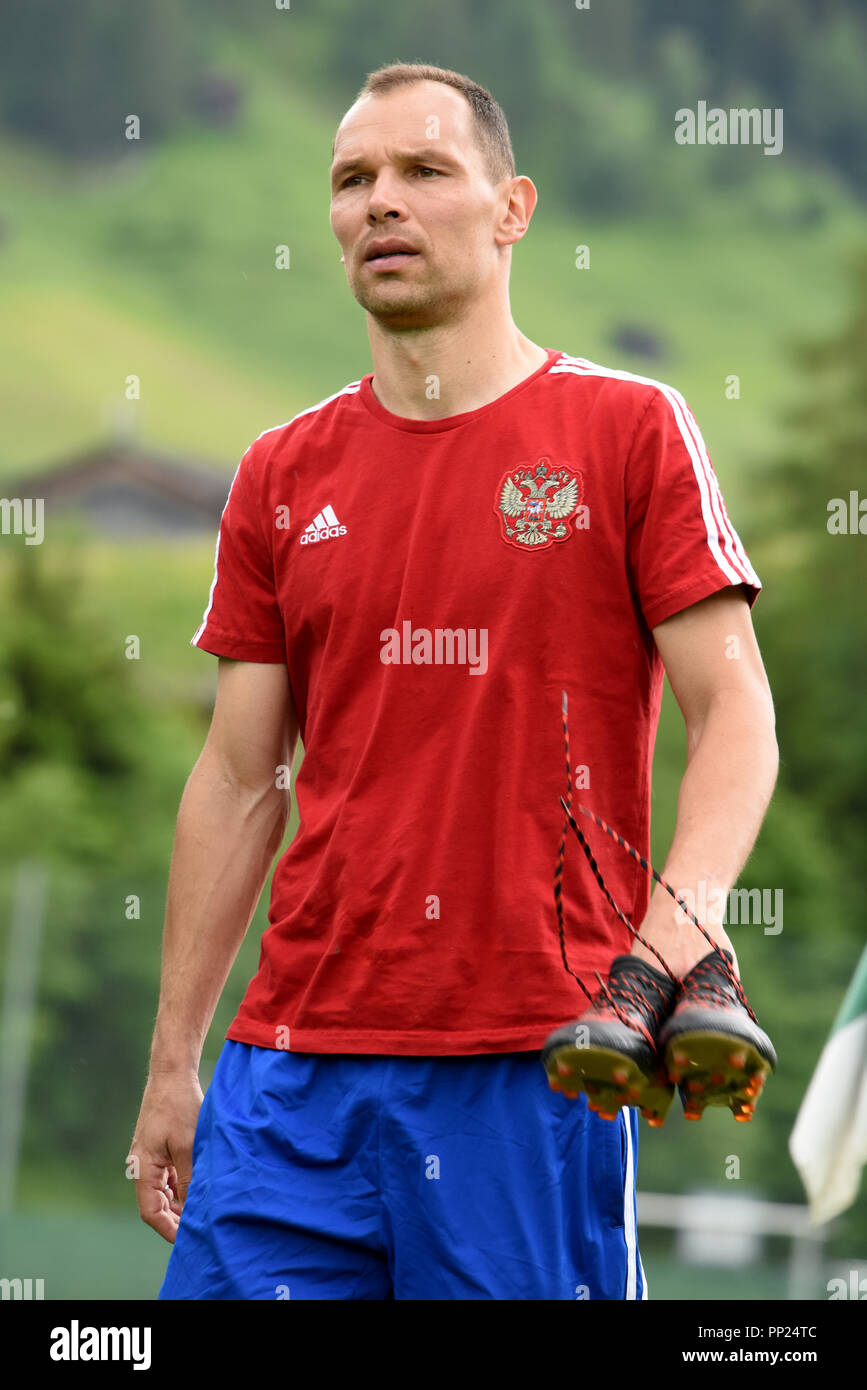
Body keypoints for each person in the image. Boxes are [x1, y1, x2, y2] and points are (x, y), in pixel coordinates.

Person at [130, 62, 779, 1301]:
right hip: (290, 1069)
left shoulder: (630, 430)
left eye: (425, 171)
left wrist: (665, 951)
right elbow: (236, 777)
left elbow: (737, 714)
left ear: (511, 207)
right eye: (354, 180)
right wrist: (175, 1063)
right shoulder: (279, 473)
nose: (383, 203)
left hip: (538, 1058)